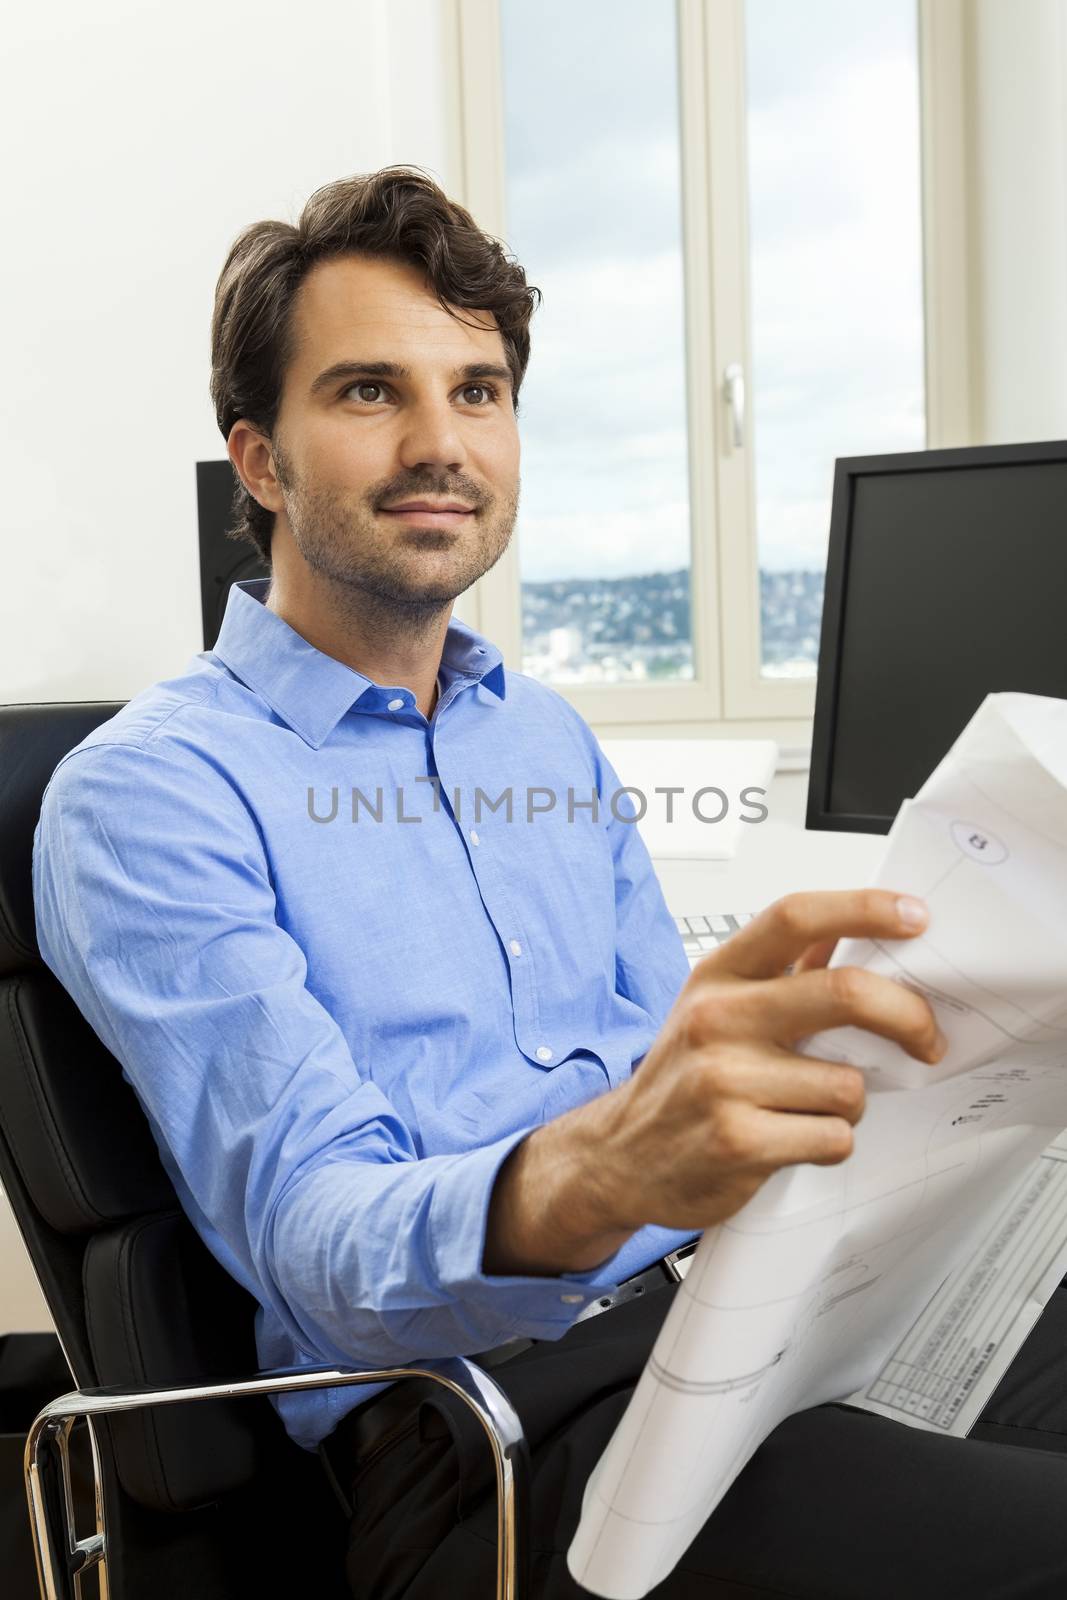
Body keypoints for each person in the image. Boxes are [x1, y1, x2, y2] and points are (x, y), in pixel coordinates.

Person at [32, 166, 1067, 1599]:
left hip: (733, 1315)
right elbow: (321, 1243)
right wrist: (593, 1172)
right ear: (259, 460)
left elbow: (673, 1064)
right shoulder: (150, 793)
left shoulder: (542, 734)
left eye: (480, 389)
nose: (439, 441)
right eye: (368, 392)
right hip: (486, 1444)